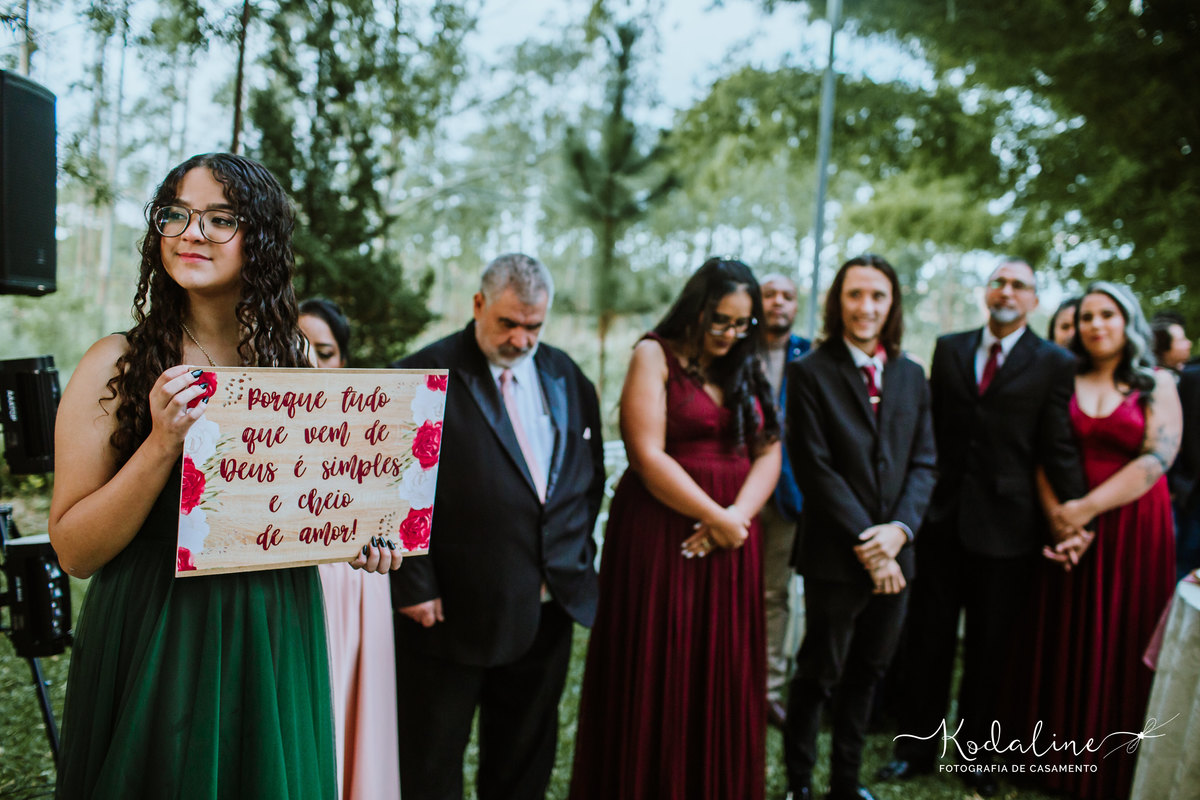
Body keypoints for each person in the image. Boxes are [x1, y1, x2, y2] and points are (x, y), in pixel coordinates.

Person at [48, 153, 400, 799]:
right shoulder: (112, 365)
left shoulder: (297, 371)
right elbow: (74, 550)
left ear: (260, 236)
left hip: (273, 628)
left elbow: (313, 506)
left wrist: (362, 535)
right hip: (156, 625)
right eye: (175, 214)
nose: (190, 232)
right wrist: (161, 445)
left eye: (219, 218)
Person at [390, 253, 604, 800]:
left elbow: (588, 477)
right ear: (478, 304)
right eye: (508, 323)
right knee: (431, 758)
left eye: (534, 326)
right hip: (449, 611)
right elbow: (394, 487)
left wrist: (575, 559)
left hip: (546, 605)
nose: (521, 339)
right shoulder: (420, 374)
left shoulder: (568, 376)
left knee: (524, 758)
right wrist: (415, 582)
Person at [570, 257, 781, 800]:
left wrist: (735, 520)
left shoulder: (744, 364)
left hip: (733, 541)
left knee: (723, 673)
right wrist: (714, 516)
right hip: (663, 538)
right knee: (660, 669)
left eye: (743, 325)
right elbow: (645, 454)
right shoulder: (653, 354)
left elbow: (770, 450)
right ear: (697, 309)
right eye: (721, 321)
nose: (732, 334)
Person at [879, 258, 1087, 798]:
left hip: (1010, 527)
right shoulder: (949, 348)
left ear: (1034, 300)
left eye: (1019, 285)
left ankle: (978, 758)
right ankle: (914, 750)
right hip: (942, 521)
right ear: (985, 292)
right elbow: (930, 433)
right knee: (927, 642)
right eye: (999, 281)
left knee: (990, 650)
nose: (1007, 291)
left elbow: (1056, 443)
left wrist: (1074, 514)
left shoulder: (1053, 362)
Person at [781, 255, 936, 800]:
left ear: (892, 303)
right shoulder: (809, 372)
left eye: (878, 296)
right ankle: (800, 782)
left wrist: (899, 533)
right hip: (835, 554)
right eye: (855, 295)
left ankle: (845, 784)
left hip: (900, 553)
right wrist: (871, 544)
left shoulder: (912, 375)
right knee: (819, 672)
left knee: (869, 671)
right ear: (837, 301)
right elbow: (814, 467)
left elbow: (924, 462)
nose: (866, 307)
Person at [1026, 282, 1180, 799]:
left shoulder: (1155, 383)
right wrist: (1060, 520)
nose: (1095, 324)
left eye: (1107, 314)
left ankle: (1112, 767)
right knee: (1067, 628)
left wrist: (1084, 512)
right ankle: (1055, 762)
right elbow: (1041, 449)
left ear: (1127, 320)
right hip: (1065, 524)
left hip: (1132, 525)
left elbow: (1156, 460)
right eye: (1087, 316)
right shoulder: (1061, 378)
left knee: (1122, 632)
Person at [298, 297, 401, 800]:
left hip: (352, 584)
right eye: (298, 348)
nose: (312, 362)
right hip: (290, 584)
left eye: (325, 351)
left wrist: (386, 546)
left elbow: (391, 519)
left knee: (348, 707)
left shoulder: (369, 427)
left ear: (343, 360)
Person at [757, 271, 812, 728]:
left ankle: (769, 689)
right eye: (769, 294)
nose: (778, 302)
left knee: (776, 594)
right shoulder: (736, 350)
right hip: (735, 491)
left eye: (786, 296)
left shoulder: (810, 355)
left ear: (797, 305)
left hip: (789, 495)